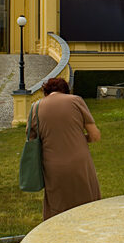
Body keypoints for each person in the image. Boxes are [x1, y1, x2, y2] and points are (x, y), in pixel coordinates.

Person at [30, 77, 101, 220]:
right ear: (65, 91)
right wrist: (80, 139)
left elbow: (32, 140)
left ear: (46, 91)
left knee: (57, 208)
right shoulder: (76, 101)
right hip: (79, 162)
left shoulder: (35, 107)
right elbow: (95, 136)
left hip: (52, 165)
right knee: (88, 206)